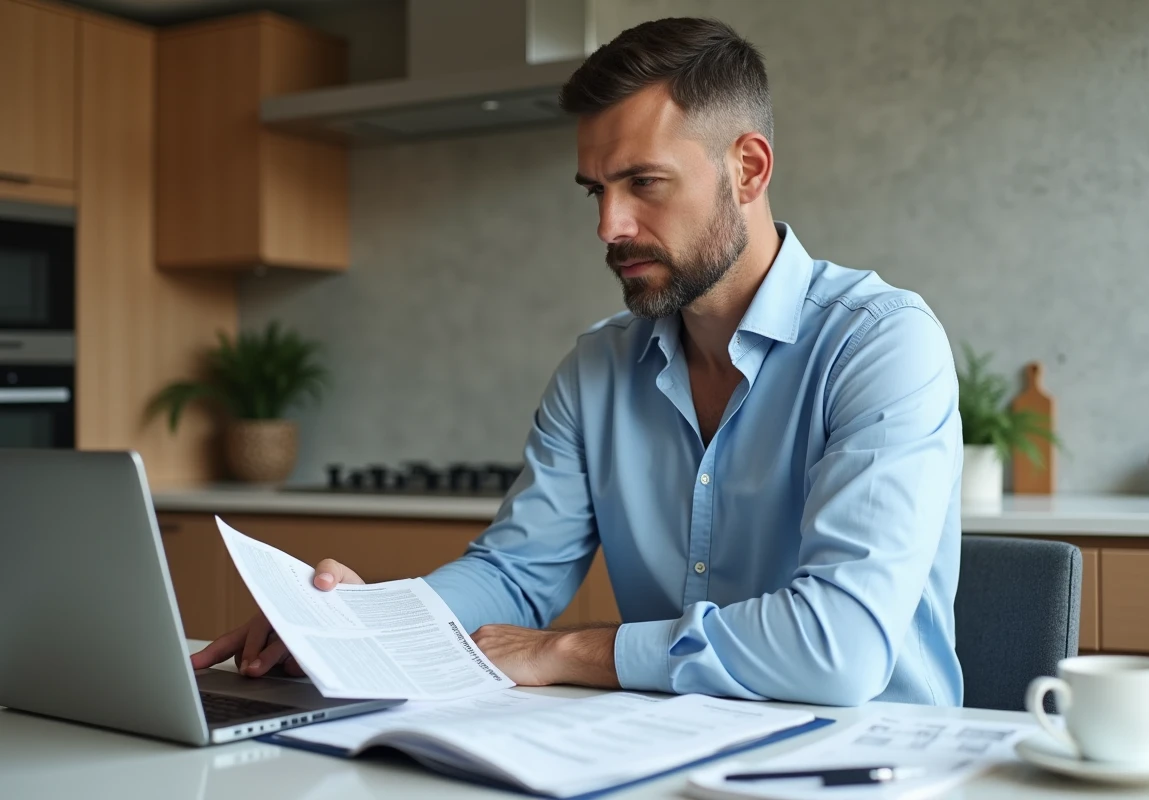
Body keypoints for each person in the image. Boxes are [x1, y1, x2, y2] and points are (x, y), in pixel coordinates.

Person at [193, 17, 964, 707]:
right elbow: (516, 576)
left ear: (749, 169)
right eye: (595, 190)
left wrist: (570, 650)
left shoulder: (881, 344)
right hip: (667, 754)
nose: (608, 226)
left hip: (877, 763)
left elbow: (839, 649)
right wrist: (361, 626)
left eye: (643, 183)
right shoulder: (597, 368)